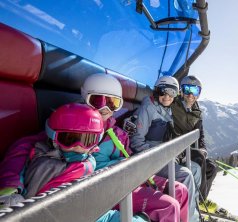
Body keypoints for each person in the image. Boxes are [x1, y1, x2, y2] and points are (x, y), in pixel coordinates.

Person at [0, 103, 148, 221]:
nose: (78, 147)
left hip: (85, 208)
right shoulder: (43, 158)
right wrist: (11, 191)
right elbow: (16, 164)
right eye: (70, 139)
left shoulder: (90, 159)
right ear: (53, 137)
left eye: (87, 140)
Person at [81, 73, 189, 222]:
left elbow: (128, 152)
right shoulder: (81, 129)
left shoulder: (116, 131)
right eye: (98, 100)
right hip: (111, 183)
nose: (105, 108)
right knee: (168, 206)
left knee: (180, 191)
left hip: (130, 173)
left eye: (112, 103)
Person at [129, 75, 201, 221]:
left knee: (195, 169)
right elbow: (136, 141)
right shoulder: (148, 108)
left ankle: (192, 213)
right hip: (149, 158)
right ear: (157, 91)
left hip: (163, 155)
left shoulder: (166, 109)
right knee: (186, 174)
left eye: (172, 93)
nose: (167, 96)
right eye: (163, 92)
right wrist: (161, 155)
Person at [171, 75, 219, 214]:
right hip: (177, 149)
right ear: (181, 91)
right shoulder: (174, 105)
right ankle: (198, 201)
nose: (191, 95)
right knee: (198, 158)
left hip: (188, 148)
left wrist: (203, 147)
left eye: (195, 91)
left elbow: (200, 134)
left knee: (211, 167)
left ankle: (200, 199)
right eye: (187, 90)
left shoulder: (197, 112)